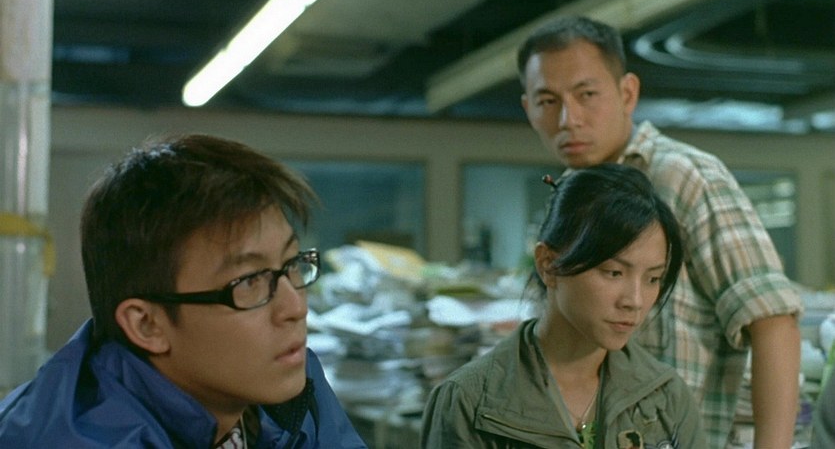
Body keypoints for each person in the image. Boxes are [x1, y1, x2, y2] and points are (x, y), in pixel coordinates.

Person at [516, 16, 803, 448]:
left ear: (627, 93)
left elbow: (773, 323)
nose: (568, 119)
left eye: (586, 95)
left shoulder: (682, 177)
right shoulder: (567, 200)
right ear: (528, 109)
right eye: (547, 101)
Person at [0, 134, 367, 448]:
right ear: (147, 325)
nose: (295, 307)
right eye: (250, 281)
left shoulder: (287, 386)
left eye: (291, 264)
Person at [422, 163, 706, 448]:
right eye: (614, 273)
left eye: (653, 278)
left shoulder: (665, 397)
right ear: (549, 264)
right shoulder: (470, 401)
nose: (635, 301)